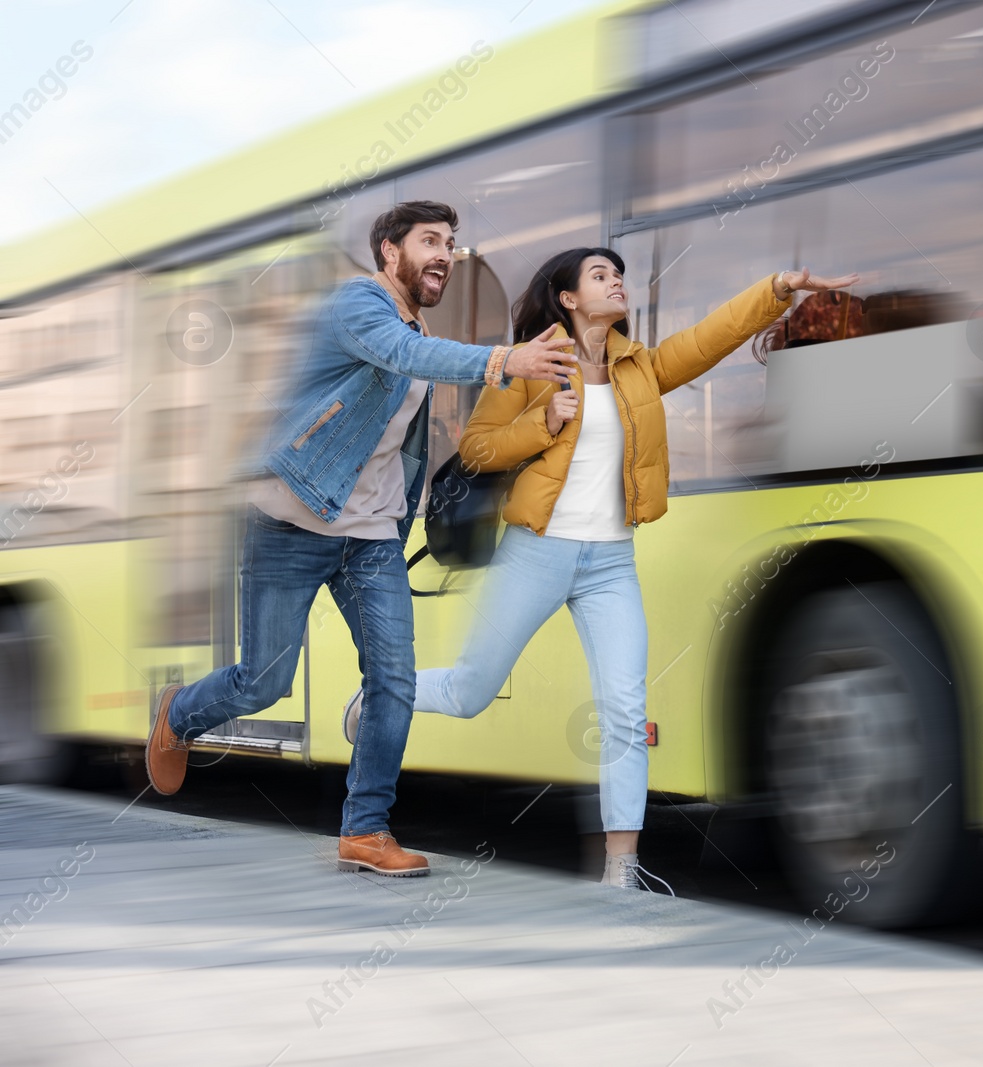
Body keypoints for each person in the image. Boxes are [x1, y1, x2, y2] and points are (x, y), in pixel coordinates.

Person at [342, 247, 857, 889]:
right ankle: (384, 694)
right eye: (600, 275)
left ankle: (622, 870)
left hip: (611, 561)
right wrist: (541, 421)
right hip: (537, 552)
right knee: (473, 691)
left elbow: (710, 338)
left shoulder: (637, 367)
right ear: (568, 298)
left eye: (619, 275)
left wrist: (777, 288)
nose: (616, 282)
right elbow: (475, 448)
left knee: (623, 709)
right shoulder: (532, 363)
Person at [144, 201, 579, 877]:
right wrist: (505, 359)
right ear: (388, 250)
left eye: (450, 242)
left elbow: (402, 433)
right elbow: (406, 354)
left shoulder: (415, 325)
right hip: (289, 523)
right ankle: (180, 713)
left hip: (369, 539)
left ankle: (365, 830)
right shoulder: (357, 307)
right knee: (264, 683)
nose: (444, 253)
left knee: (394, 681)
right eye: (429, 240)